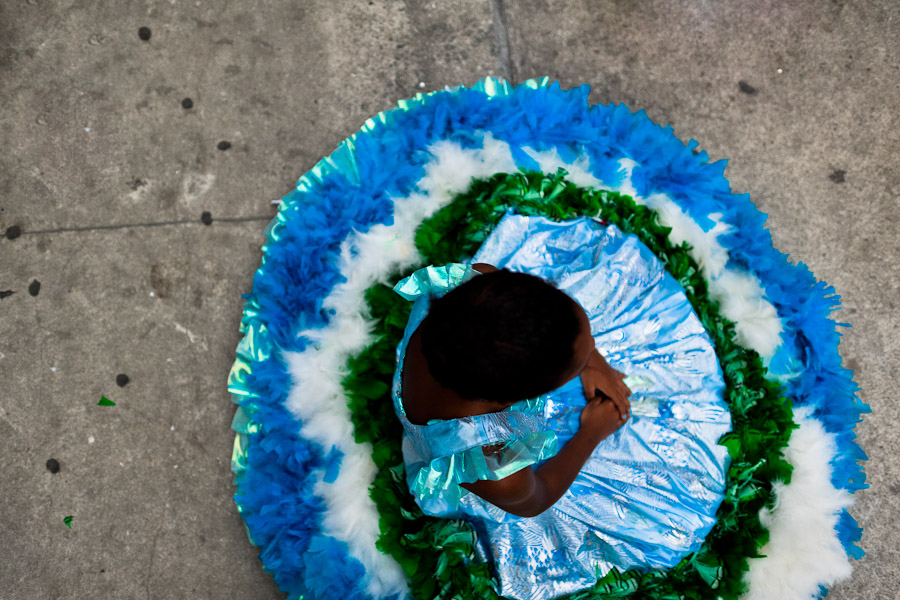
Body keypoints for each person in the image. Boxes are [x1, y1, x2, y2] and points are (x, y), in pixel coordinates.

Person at [390, 211, 731, 600]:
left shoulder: (470, 289)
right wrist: (591, 433)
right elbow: (537, 497)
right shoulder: (496, 465)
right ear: (520, 399)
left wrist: (591, 359)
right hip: (476, 462)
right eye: (574, 363)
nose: (589, 353)